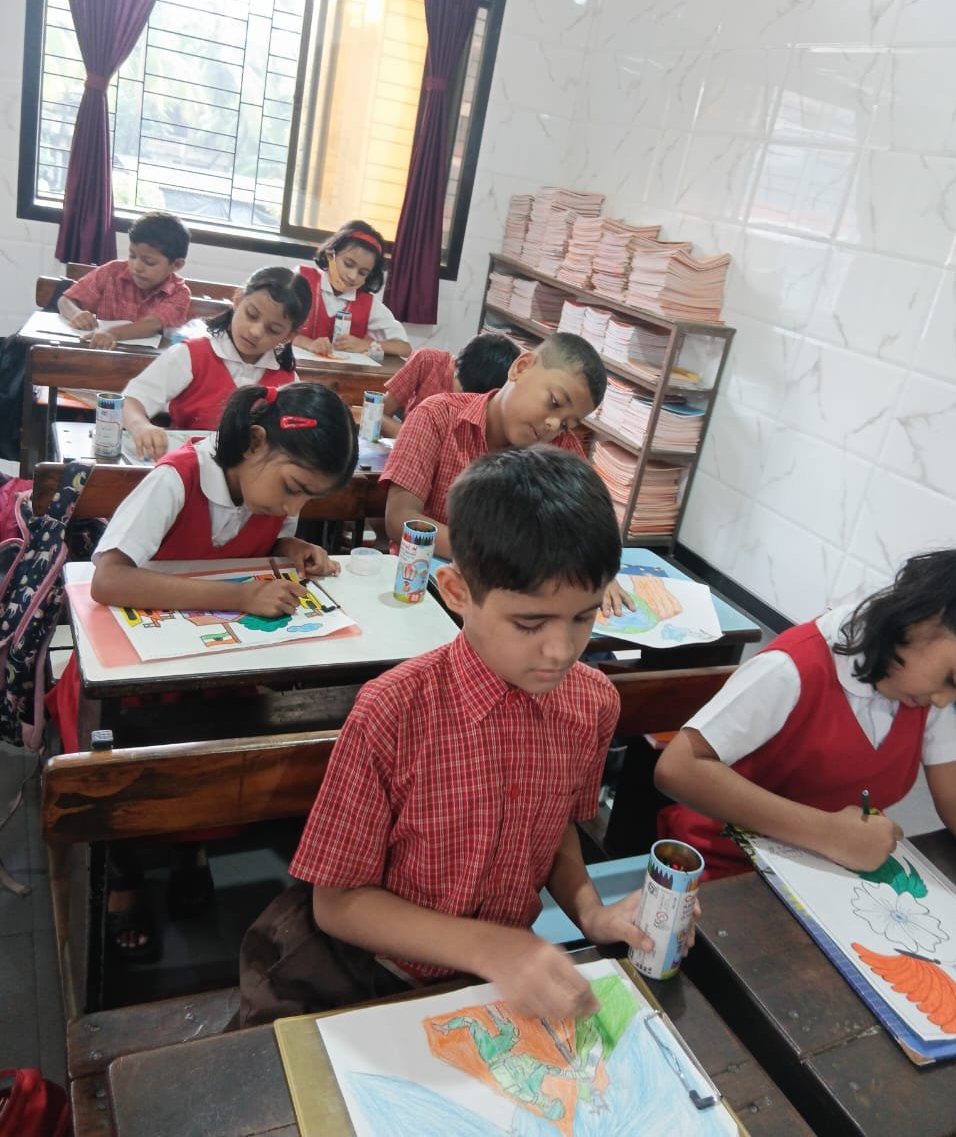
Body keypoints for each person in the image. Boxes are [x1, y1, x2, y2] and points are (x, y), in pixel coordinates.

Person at [232, 446, 686, 1029]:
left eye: (583, 617)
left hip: (491, 984)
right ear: (456, 591)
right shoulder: (393, 712)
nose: (560, 650)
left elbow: (555, 835)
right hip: (373, 976)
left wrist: (591, 915)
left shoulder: (592, 702)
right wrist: (491, 948)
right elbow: (337, 903)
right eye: (529, 622)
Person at [49, 381, 359, 959]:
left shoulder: (267, 494)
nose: (291, 508)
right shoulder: (176, 480)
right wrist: (237, 597)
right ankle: (123, 877)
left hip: (207, 667)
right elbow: (108, 580)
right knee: (136, 774)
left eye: (306, 499)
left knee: (216, 749)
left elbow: (271, 539)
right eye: (293, 488)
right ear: (255, 442)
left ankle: (190, 847)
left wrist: (294, 551)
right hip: (135, 675)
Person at [655, 550, 956, 880]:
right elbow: (678, 769)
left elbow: (954, 797)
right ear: (922, 620)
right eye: (951, 678)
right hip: (725, 867)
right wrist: (827, 833)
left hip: (824, 873)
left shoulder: (925, 693)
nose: (945, 700)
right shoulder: (793, 669)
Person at [380, 331, 631, 615]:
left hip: (513, 600)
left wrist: (597, 570)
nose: (553, 425)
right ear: (521, 368)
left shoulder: (561, 450)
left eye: (566, 424)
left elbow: (588, 531)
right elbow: (400, 519)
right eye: (554, 403)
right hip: (421, 588)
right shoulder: (437, 416)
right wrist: (497, 558)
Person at [122, 266, 311, 460]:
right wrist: (141, 427)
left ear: (288, 336)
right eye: (251, 314)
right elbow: (130, 400)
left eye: (273, 329)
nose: (255, 332)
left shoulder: (288, 382)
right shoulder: (192, 354)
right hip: (186, 467)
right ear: (237, 299)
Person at [57, 212, 191, 349]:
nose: (136, 267)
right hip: (100, 353)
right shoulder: (112, 272)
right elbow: (65, 300)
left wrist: (112, 333)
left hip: (146, 359)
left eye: (149, 262)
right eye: (132, 256)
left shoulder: (179, 292)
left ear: (176, 265)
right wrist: (76, 314)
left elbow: (151, 325)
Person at [294, 219, 411, 359]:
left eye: (363, 273)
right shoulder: (301, 280)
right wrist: (309, 344)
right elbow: (274, 326)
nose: (352, 276)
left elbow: (405, 348)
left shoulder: (368, 304)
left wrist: (366, 345)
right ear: (330, 255)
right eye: (348, 264)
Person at [379, 333, 520, 439]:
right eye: (462, 390)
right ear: (454, 364)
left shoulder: (496, 400)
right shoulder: (426, 361)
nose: (461, 401)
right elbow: (380, 413)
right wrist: (412, 437)